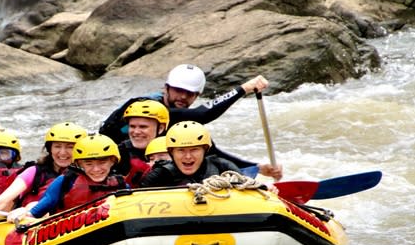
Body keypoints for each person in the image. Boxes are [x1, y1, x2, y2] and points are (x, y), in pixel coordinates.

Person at [99, 64, 282, 180]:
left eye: (190, 93)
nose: (183, 97)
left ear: (197, 95)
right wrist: (244, 88)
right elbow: (202, 114)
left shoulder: (181, 121)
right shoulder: (145, 106)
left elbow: (211, 152)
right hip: (111, 164)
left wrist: (257, 168)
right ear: (167, 88)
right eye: (178, 90)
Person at [7, 134, 128, 222]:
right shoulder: (65, 181)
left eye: (102, 163)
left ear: (113, 161)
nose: (96, 169)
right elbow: (36, 212)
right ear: (79, 164)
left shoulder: (120, 184)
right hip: (66, 235)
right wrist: (24, 213)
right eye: (89, 164)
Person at [0, 122, 87, 215]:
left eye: (70, 147)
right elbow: (2, 200)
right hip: (28, 221)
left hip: (70, 222)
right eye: (57, 146)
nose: (63, 152)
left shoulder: (92, 173)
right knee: (31, 205)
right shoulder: (34, 171)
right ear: (49, 148)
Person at [139, 121, 243, 187]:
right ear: (171, 153)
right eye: (181, 150)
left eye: (194, 150)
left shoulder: (223, 167)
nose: (188, 156)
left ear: (205, 150)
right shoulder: (160, 174)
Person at [114, 100, 170, 187]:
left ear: (161, 128)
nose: (136, 132)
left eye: (143, 127)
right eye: (132, 126)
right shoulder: (119, 153)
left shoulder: (173, 149)